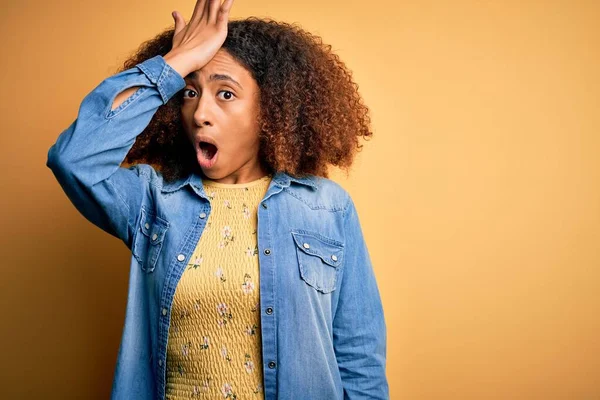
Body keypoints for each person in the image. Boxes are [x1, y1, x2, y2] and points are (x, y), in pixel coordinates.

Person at [46, 0, 389, 398]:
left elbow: (359, 358)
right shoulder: (152, 201)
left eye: (225, 93)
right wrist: (175, 63)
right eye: (190, 93)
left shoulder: (327, 208)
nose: (199, 113)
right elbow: (73, 158)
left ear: (271, 110)